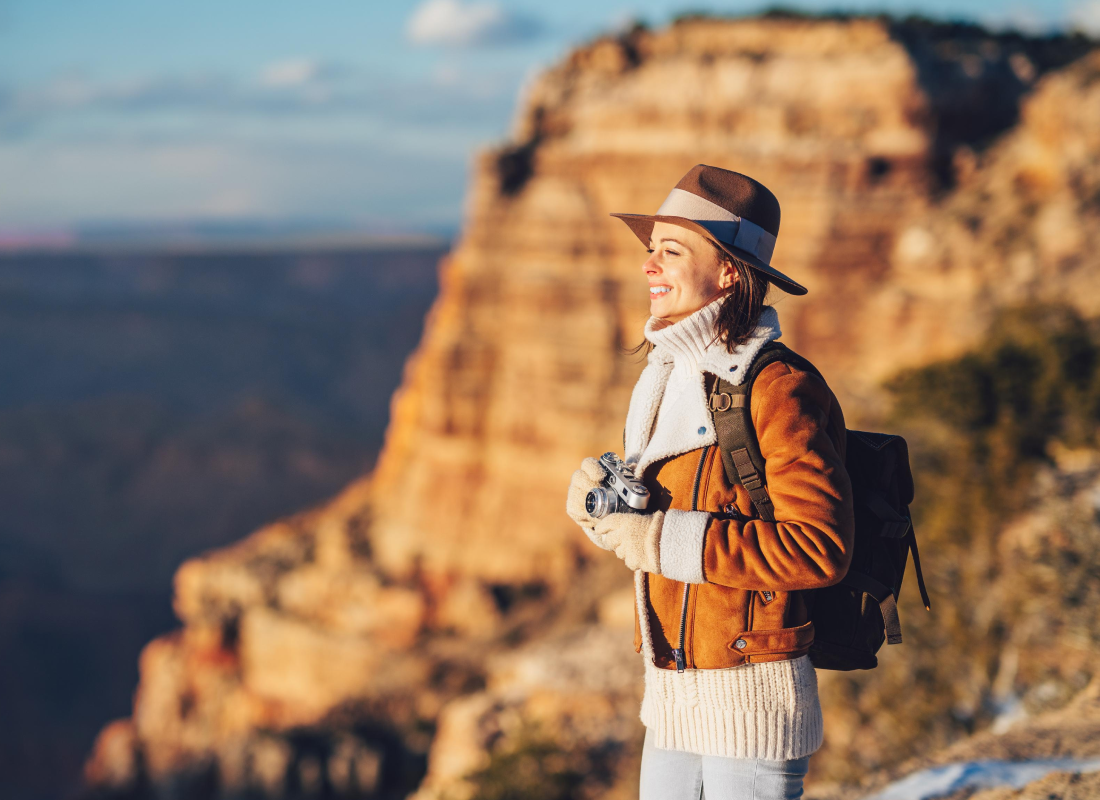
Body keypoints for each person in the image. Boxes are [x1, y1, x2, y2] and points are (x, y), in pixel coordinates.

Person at [566, 164, 855, 800]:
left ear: (729, 270)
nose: (649, 267)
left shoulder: (778, 387)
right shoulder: (664, 375)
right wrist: (605, 513)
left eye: (671, 250)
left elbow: (817, 548)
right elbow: (665, 533)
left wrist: (657, 539)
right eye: (650, 251)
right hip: (671, 696)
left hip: (752, 706)